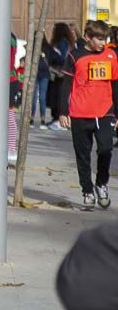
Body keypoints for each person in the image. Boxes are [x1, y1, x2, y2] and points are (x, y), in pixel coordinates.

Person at [56, 20, 118, 209]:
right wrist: (62, 112)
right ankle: (87, 191)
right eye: (99, 39)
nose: (102, 43)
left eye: (105, 39)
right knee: (83, 155)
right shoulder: (75, 56)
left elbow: (115, 84)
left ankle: (101, 184)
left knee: (106, 149)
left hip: (104, 111)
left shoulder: (111, 55)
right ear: (88, 38)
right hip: (79, 112)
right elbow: (66, 84)